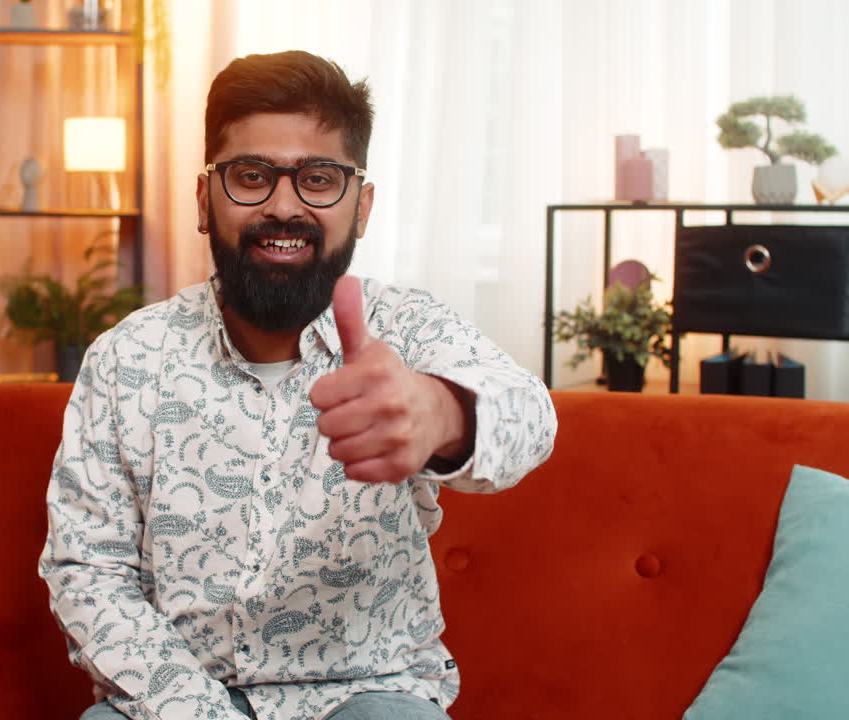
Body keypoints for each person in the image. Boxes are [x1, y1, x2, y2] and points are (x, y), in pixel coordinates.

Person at [40, 50, 557, 720]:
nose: (283, 206)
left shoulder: (407, 327)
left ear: (361, 206)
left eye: (318, 179)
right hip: (171, 702)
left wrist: (441, 412)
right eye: (251, 176)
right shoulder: (124, 359)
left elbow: (531, 416)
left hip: (370, 693)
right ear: (205, 198)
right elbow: (89, 572)